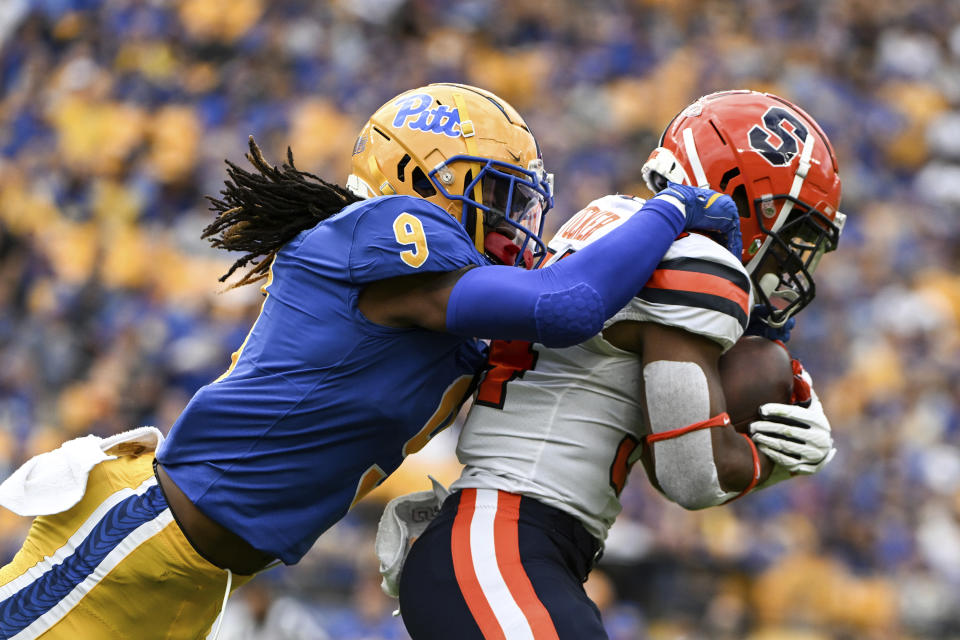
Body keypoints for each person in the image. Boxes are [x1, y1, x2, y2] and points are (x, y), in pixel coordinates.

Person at [0, 83, 741, 639]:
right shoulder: (381, 232)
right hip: (144, 534)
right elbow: (569, 303)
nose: (514, 222)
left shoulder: (439, 308)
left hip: (199, 573)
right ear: (418, 181)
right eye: (493, 193)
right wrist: (669, 210)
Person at [392, 90, 846, 639]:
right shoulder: (693, 259)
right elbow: (689, 474)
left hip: (513, 547)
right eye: (792, 233)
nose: (790, 263)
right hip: (502, 541)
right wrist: (783, 459)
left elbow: (664, 446)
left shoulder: (612, 223)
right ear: (743, 199)